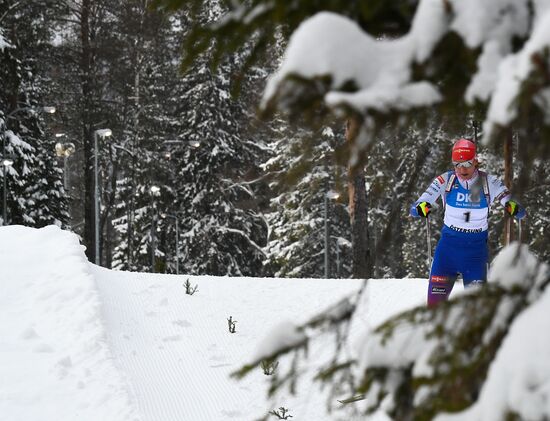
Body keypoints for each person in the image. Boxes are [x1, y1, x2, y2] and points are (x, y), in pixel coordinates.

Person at [410, 138, 526, 307]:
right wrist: (420, 207)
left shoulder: (489, 182)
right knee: (434, 310)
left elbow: (515, 205)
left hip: (475, 255)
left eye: (467, 163)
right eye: (457, 164)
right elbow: (416, 206)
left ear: (475, 162)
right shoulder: (445, 181)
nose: (462, 169)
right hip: (447, 254)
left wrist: (513, 206)